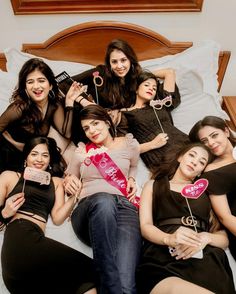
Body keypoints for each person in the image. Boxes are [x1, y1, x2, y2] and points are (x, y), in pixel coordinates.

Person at [0, 136, 97, 294]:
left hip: (38, 240)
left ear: (50, 159)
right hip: (18, 238)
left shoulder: (56, 182)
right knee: (94, 270)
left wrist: (74, 196)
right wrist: (5, 213)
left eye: (45, 155)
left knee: (87, 285)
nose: (39, 159)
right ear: (26, 157)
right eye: (34, 154)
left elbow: (58, 218)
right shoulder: (9, 177)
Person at [136, 142, 235, 294]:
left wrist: (206, 238)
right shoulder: (153, 185)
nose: (195, 161)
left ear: (202, 171)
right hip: (163, 257)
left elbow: (223, 237)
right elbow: (145, 226)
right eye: (191, 155)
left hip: (206, 259)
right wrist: (169, 239)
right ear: (180, 157)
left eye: (202, 162)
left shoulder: (207, 193)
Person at [63, 104, 142, 294]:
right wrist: (69, 181)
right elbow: (69, 176)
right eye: (86, 128)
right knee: (103, 200)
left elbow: (132, 167)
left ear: (107, 122)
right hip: (89, 210)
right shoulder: (82, 150)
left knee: (126, 286)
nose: (92, 131)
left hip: (125, 208)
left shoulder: (130, 144)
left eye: (95, 123)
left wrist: (131, 178)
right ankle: (109, 283)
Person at [58, 39, 177, 144]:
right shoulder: (101, 73)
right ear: (109, 63)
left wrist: (137, 74)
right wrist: (84, 101)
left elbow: (168, 89)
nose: (119, 66)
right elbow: (62, 81)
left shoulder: (138, 81)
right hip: (89, 124)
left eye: (124, 60)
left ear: (131, 60)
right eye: (114, 62)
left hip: (112, 130)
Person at [0, 57, 85, 173]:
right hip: (7, 154)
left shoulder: (53, 105)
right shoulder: (18, 108)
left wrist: (69, 101)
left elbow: (67, 133)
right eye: (30, 82)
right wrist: (14, 142)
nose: (36, 86)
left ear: (50, 85)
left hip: (31, 157)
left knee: (57, 170)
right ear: (25, 87)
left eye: (41, 80)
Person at [122, 70, 189, 173]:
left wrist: (139, 73)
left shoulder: (161, 104)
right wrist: (152, 144)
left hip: (185, 145)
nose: (151, 89)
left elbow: (169, 72)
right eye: (147, 85)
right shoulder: (125, 114)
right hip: (161, 157)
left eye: (154, 88)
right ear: (136, 88)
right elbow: (123, 150)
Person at [189, 115, 236, 261]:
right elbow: (225, 217)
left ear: (226, 132)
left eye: (214, 135)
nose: (211, 143)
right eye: (205, 141)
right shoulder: (211, 172)